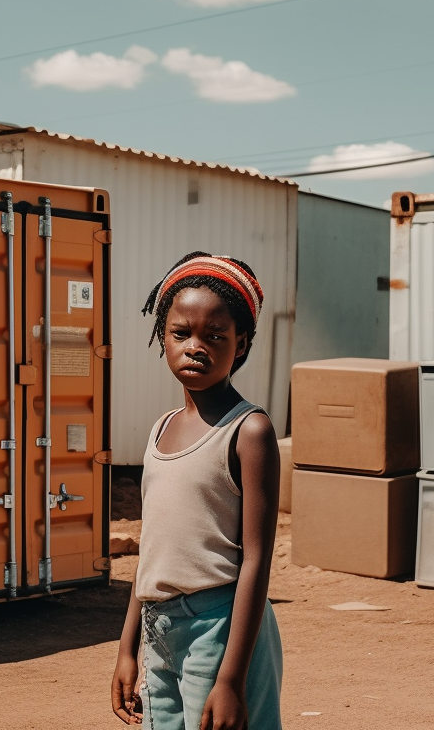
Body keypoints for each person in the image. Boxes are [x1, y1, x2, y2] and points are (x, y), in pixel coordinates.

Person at [111, 252, 283, 730]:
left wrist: (231, 679)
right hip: (158, 627)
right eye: (181, 333)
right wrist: (128, 647)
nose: (195, 347)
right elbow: (153, 549)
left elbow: (256, 559)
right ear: (161, 337)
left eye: (216, 336)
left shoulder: (248, 432)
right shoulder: (161, 430)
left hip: (220, 627)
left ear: (241, 343)